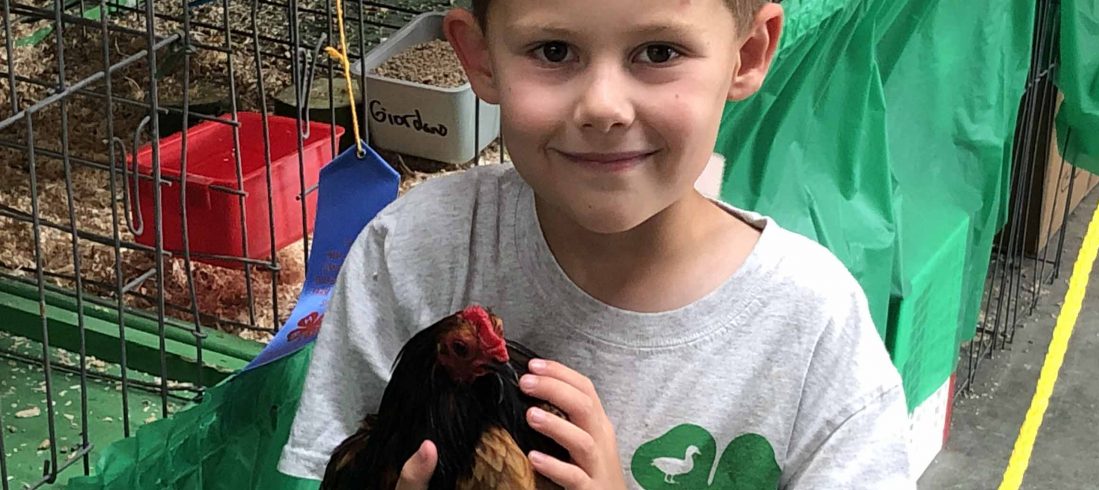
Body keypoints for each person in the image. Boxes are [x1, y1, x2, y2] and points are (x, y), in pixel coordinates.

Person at [278, 0, 913, 488]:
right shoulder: (416, 250)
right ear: (479, 58)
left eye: (659, 52)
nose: (603, 106)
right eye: (553, 50)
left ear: (746, 54)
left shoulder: (812, 325)